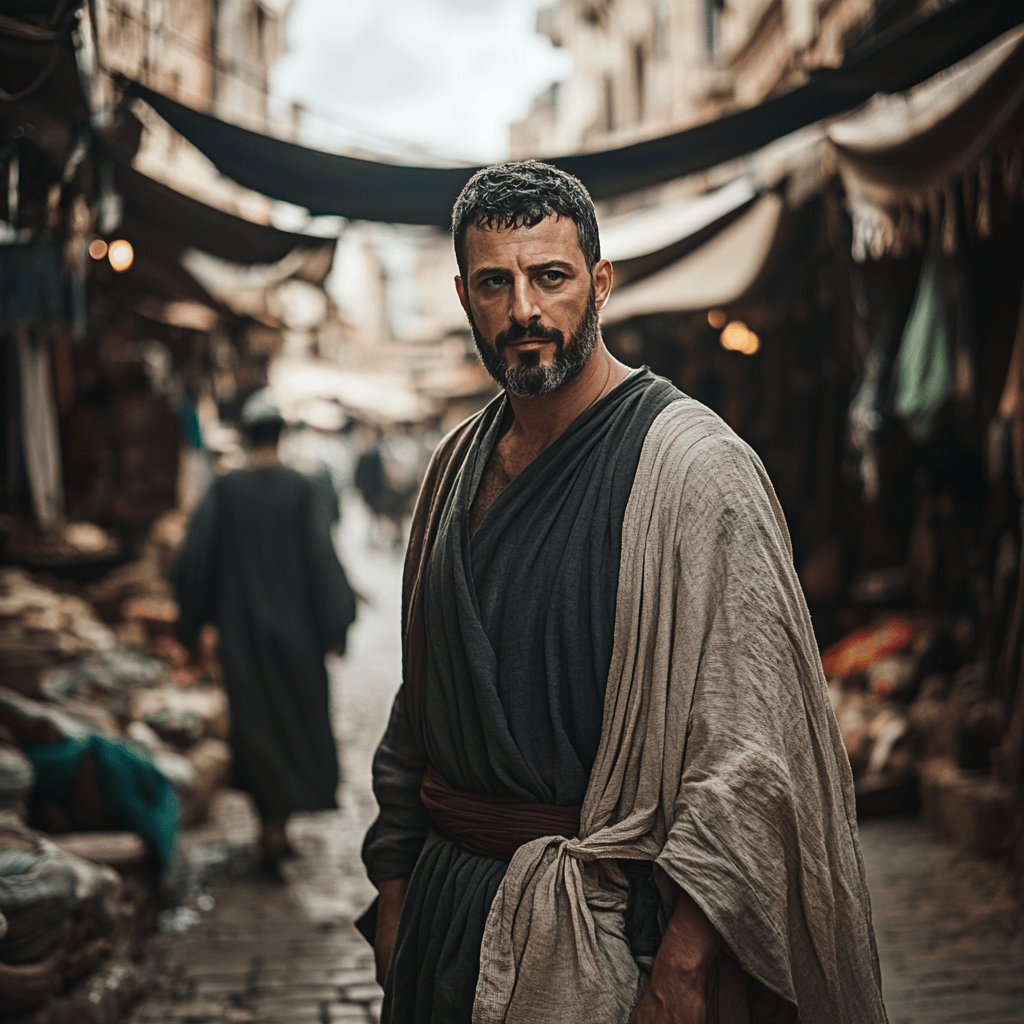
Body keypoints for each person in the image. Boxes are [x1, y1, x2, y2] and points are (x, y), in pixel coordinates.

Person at [360, 161, 888, 1024]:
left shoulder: (696, 471)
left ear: (600, 283)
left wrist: (681, 970)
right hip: (446, 927)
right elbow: (424, 700)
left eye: (551, 277)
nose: (524, 309)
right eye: (496, 283)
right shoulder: (452, 466)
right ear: (463, 296)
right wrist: (395, 884)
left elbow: (751, 758)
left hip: (614, 942)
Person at [176, 389, 356, 872]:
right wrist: (336, 623)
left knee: (257, 729)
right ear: (281, 433)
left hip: (242, 639)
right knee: (292, 725)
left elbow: (195, 561)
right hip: (297, 639)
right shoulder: (301, 488)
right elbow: (323, 559)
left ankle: (269, 827)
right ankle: (277, 827)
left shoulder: (226, 488)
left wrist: (192, 624)